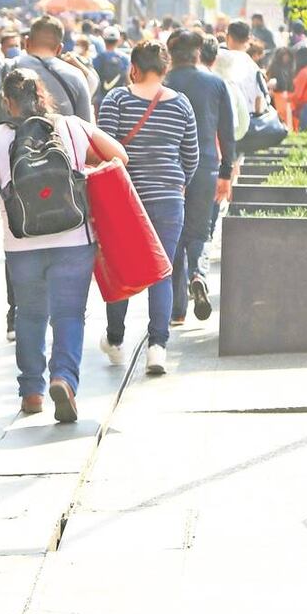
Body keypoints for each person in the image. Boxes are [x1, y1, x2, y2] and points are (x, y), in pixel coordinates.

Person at [0, 69, 127, 420]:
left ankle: (31, 391)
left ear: (7, 101)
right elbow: (119, 156)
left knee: (30, 315)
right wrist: (87, 171)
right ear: (43, 94)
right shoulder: (71, 127)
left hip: (22, 244)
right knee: (69, 315)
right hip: (74, 238)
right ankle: (64, 378)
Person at [97, 41, 199, 375]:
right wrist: (176, 182)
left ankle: (115, 339)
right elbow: (191, 156)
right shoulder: (181, 104)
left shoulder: (117, 99)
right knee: (162, 272)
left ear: (134, 67)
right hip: (170, 197)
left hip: (127, 199)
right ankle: (157, 347)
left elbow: (104, 152)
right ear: (165, 68)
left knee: (122, 268)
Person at [164, 30, 236, 325]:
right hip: (206, 165)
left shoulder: (163, 83)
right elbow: (227, 133)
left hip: (168, 168)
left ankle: (177, 311)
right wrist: (226, 172)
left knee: (173, 235)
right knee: (200, 230)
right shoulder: (215, 82)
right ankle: (199, 274)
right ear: (198, 52)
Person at [0, 15, 94, 122]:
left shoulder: (5, 67)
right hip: (62, 148)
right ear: (59, 49)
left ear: (27, 42)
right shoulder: (76, 76)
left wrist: (10, 105)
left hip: (14, 147)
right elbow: (85, 124)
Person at [214, 20, 265, 116]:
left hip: (226, 118)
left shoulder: (219, 59)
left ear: (227, 37)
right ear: (248, 39)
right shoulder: (252, 64)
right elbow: (259, 98)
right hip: (249, 120)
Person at [94, 25, 131, 109]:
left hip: (101, 100)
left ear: (104, 40)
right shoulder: (125, 59)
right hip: (120, 99)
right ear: (118, 40)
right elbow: (128, 79)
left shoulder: (98, 58)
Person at [267, 47, 297, 129]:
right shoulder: (274, 68)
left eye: (287, 56)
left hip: (289, 96)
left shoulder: (292, 67)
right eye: (284, 56)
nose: (285, 58)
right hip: (278, 96)